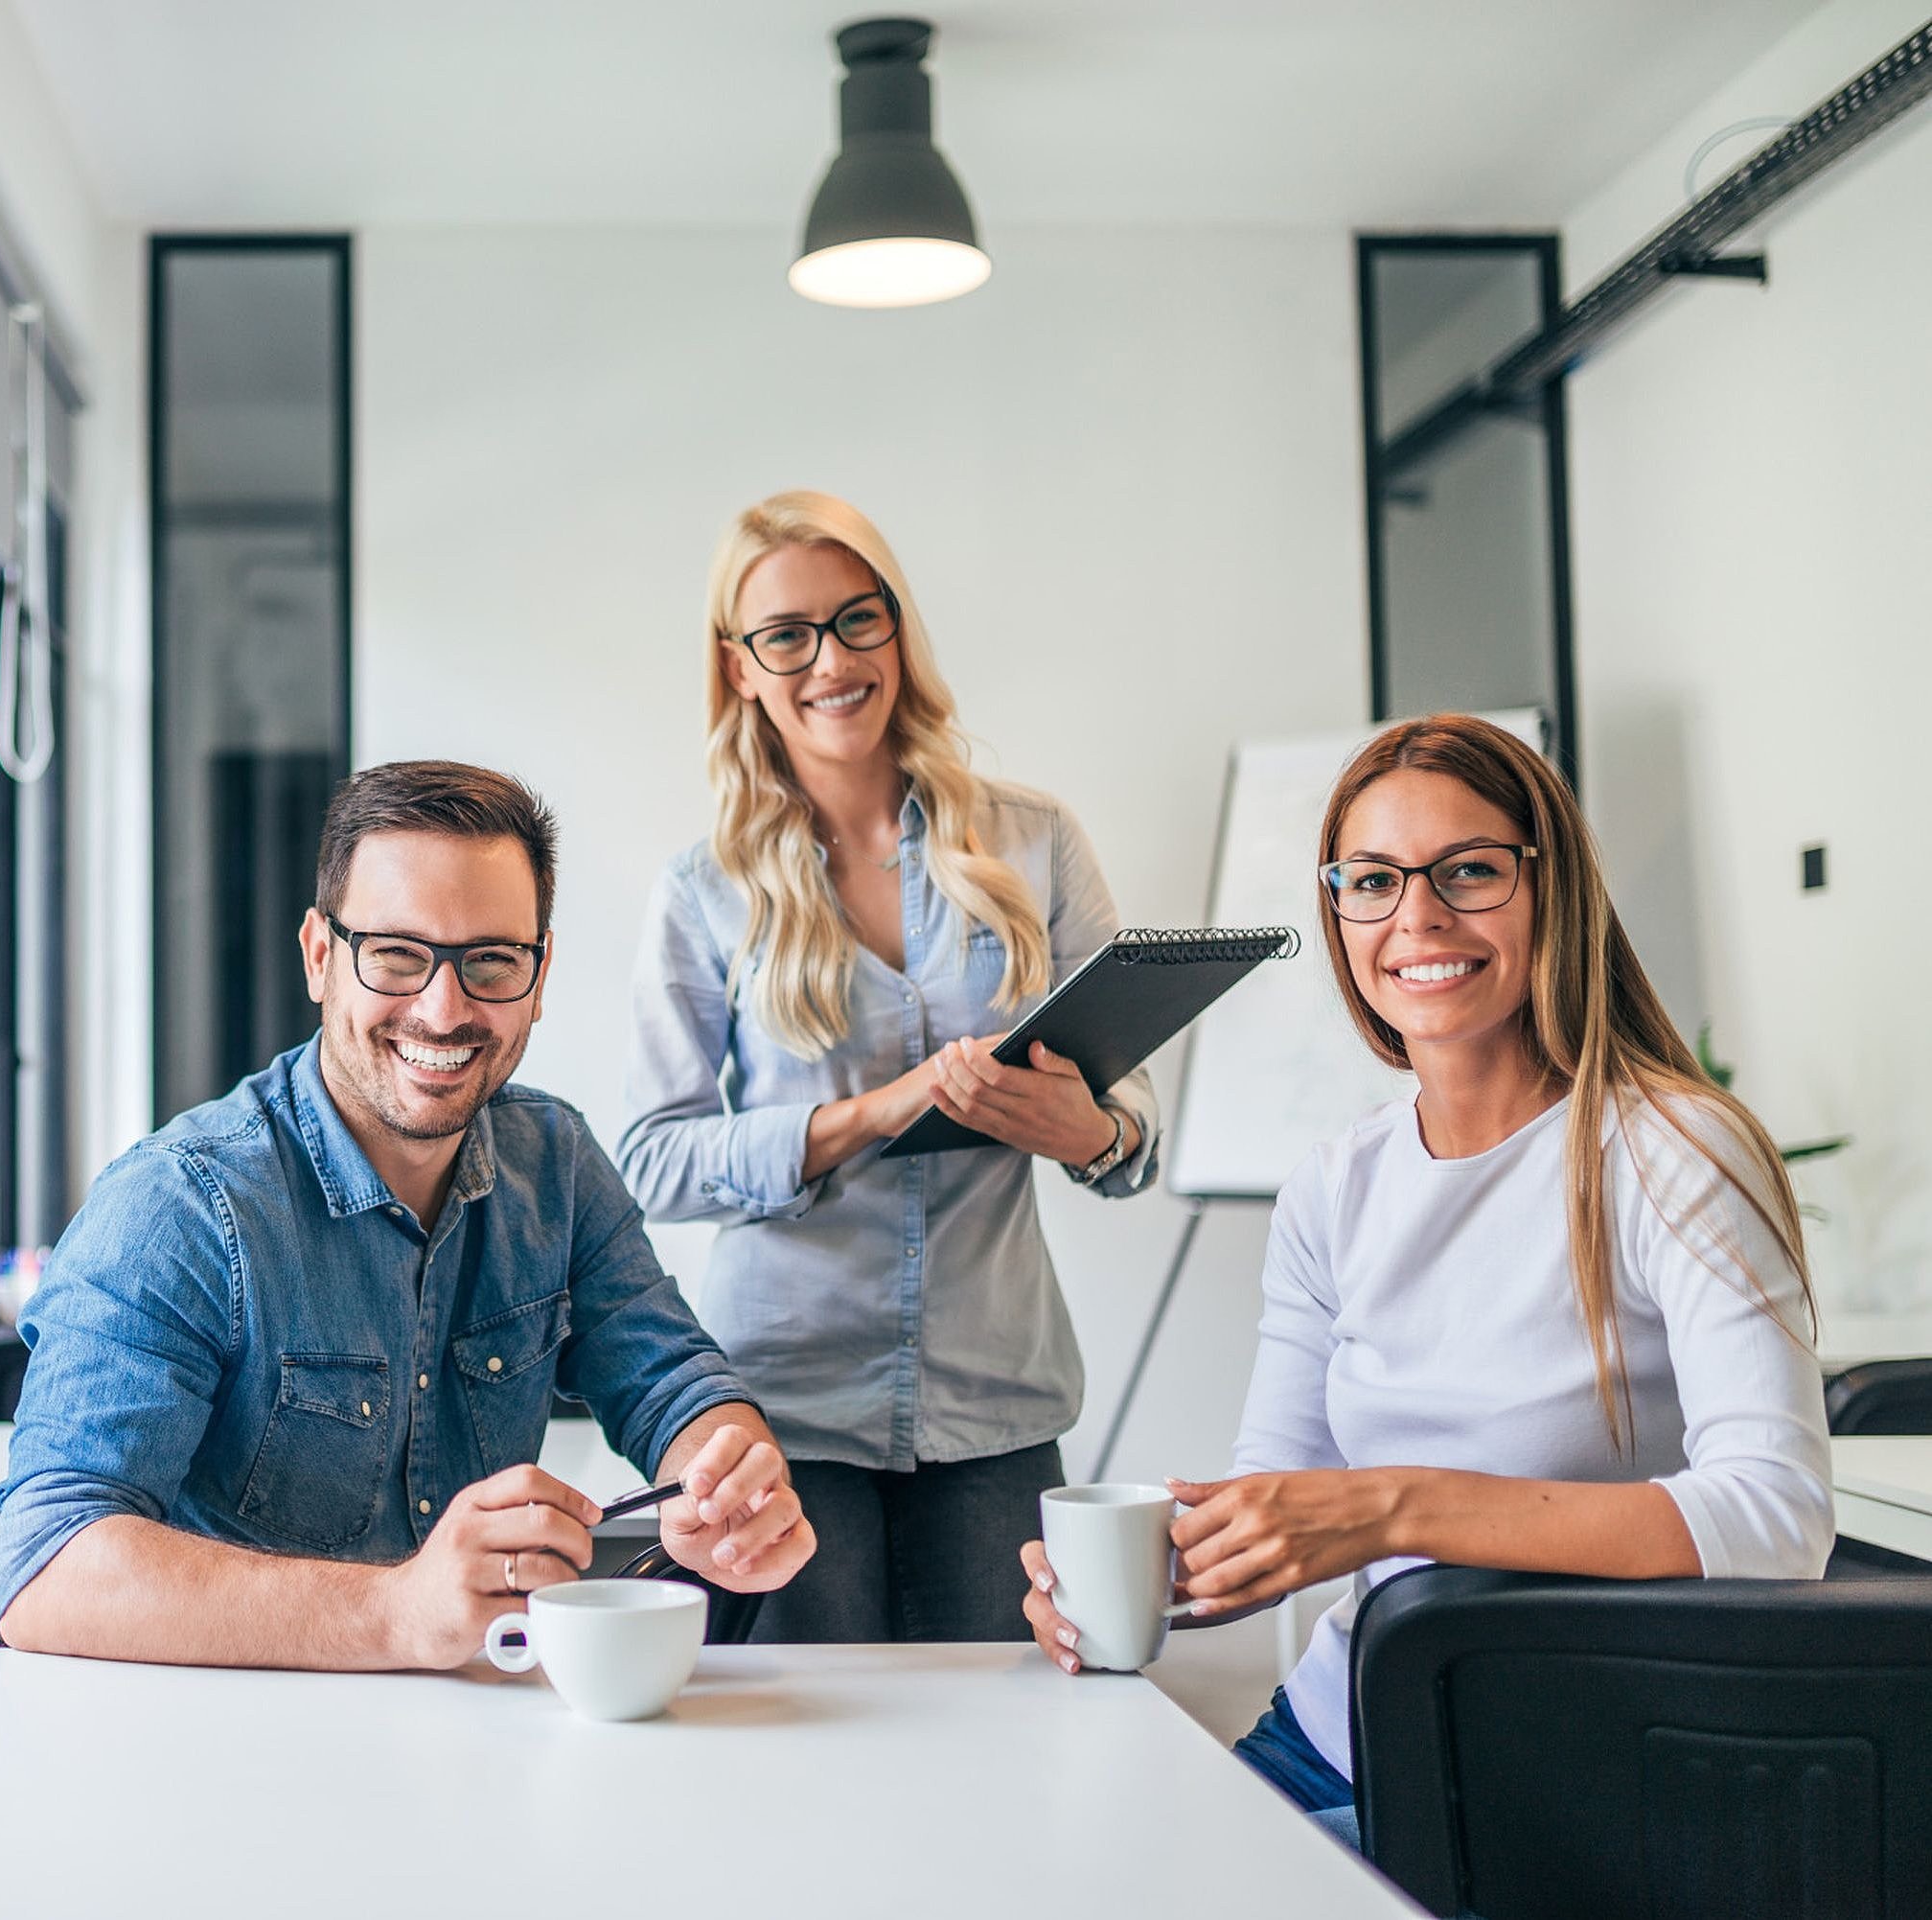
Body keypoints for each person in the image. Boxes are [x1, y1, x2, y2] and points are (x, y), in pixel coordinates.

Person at [1020, 713, 1832, 1843]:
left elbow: (1775, 1514)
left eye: (1469, 870)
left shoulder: (1670, 1150)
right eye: (1372, 879)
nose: (1418, 916)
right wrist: (1136, 1573)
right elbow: (1279, 1496)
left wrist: (1393, 1506)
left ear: (1550, 884)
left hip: (1582, 1761)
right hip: (1345, 1723)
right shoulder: (1333, 1187)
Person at [0, 761, 815, 1669]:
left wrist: (726, 1474)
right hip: (225, 1760)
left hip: (478, 1741)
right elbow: (47, 1565)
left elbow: (671, 1382)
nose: (442, 1007)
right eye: (395, 953)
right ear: (319, 956)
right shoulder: (178, 1205)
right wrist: (394, 1611)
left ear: (539, 978)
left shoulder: (557, 1164)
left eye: (491, 962)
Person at [617, 491, 1160, 1643]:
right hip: (782, 1406)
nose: (831, 660)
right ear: (742, 667)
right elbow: (651, 1161)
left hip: (994, 1399)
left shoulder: (1034, 839)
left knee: (1005, 1750)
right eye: (788, 635)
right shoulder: (700, 889)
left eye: (858, 620)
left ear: (898, 630)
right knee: (809, 1763)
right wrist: (867, 1116)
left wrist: (1089, 1131)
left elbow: (1133, 1124)